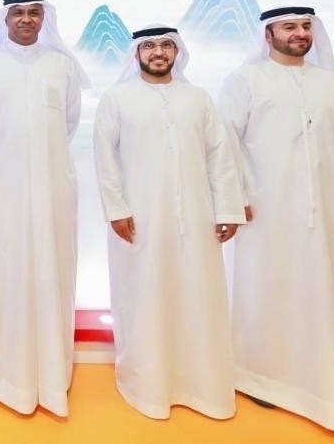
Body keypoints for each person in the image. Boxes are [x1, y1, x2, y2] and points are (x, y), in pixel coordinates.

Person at [219, 6, 334, 434]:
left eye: (306, 26)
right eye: (289, 26)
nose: (300, 33)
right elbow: (225, 143)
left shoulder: (331, 84)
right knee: (266, 291)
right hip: (264, 213)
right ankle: (259, 378)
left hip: (325, 210)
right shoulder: (244, 81)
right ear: (268, 34)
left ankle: (325, 380)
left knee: (323, 289)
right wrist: (236, 198)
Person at [93, 26, 245, 420]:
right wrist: (117, 209)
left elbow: (219, 157)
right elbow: (105, 159)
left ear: (177, 52)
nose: (158, 52)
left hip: (197, 218)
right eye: (149, 46)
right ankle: (146, 384)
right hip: (140, 220)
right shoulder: (117, 99)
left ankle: (203, 386)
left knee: (199, 296)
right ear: (136, 53)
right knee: (144, 296)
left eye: (166, 45)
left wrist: (227, 210)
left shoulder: (198, 99)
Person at [0, 0, 89, 416]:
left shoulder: (62, 65)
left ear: (44, 18)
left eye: (34, 13)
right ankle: (0, 374)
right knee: (1, 277)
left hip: (52, 192)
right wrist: (6, 160)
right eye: (18, 13)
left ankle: (52, 375)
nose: (27, 19)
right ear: (5, 19)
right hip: (0, 192)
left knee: (52, 276)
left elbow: (68, 123)